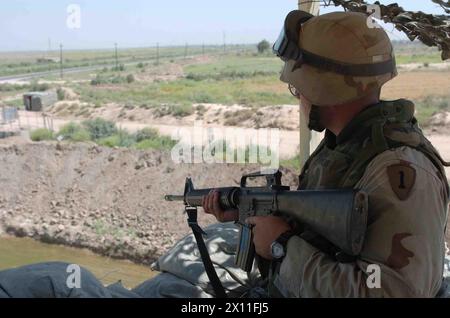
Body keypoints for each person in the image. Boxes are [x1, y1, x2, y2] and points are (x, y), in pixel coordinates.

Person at [203, 10, 450, 297]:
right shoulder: (344, 143)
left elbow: (393, 291)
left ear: (323, 89)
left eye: (298, 90)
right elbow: (326, 236)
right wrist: (253, 213)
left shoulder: (401, 169)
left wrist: (281, 245)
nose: (300, 99)